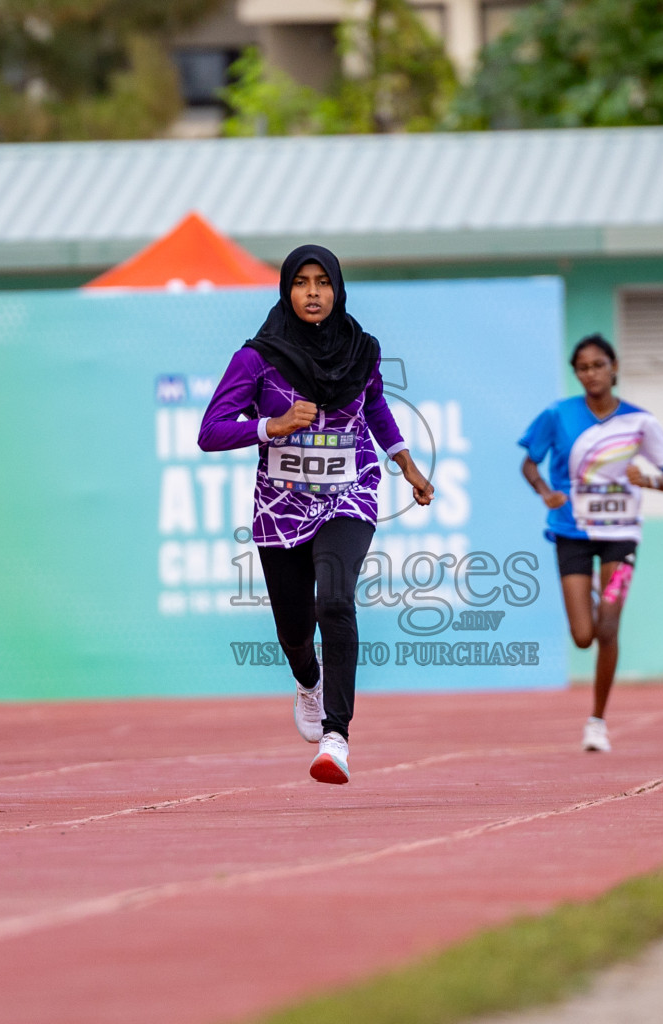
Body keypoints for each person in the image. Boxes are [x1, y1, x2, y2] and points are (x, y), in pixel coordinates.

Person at [199, 244, 433, 784]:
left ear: (337, 289)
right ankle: (308, 680)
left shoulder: (361, 349)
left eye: (322, 282)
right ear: (286, 290)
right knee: (294, 632)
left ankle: (336, 737)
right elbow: (210, 432)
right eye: (301, 282)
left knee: (335, 598)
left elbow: (374, 404)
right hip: (281, 507)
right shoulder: (256, 358)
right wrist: (271, 426)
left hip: (350, 492)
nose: (312, 292)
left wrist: (407, 465)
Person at [518, 334, 663, 753]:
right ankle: (592, 595)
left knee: (609, 626)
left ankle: (597, 720)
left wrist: (651, 479)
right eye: (583, 367)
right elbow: (529, 462)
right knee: (583, 636)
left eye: (598, 365)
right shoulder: (558, 414)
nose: (591, 373)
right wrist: (544, 492)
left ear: (615, 367)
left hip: (621, 535)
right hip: (572, 531)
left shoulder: (640, 422)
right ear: (577, 373)